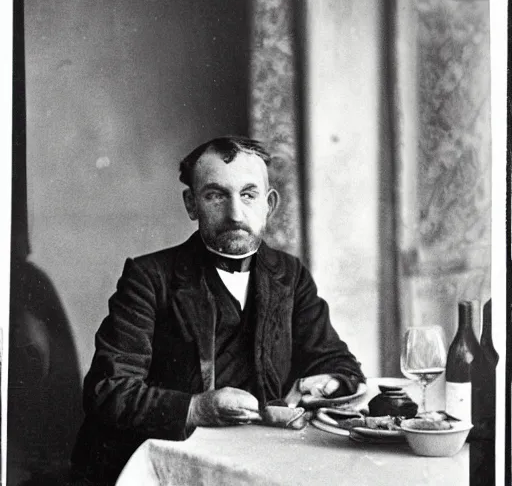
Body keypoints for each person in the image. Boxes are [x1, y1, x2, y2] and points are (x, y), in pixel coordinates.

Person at [70, 136, 365, 485]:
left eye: (248, 195)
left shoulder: (290, 275)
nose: (235, 214)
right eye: (215, 195)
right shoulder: (149, 278)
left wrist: (325, 381)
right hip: (172, 465)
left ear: (269, 204)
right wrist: (197, 408)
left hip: (260, 463)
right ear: (192, 204)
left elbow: (339, 364)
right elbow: (108, 390)